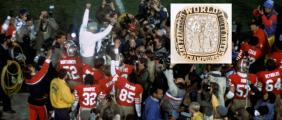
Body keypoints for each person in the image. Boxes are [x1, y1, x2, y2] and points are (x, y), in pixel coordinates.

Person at [25, 50, 52, 120]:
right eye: (31, 67)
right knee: (44, 118)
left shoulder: (26, 79)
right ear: (31, 71)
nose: (33, 66)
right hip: (40, 103)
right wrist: (48, 57)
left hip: (31, 102)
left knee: (32, 118)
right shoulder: (37, 78)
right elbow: (44, 69)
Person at [0, 34, 15, 114]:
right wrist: (7, 62)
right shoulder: (1, 49)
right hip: (2, 72)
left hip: (5, 72)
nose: (8, 40)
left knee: (3, 90)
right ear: (4, 41)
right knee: (5, 90)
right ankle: (7, 107)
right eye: (7, 39)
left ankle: (3, 102)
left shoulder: (6, 48)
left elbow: (9, 58)